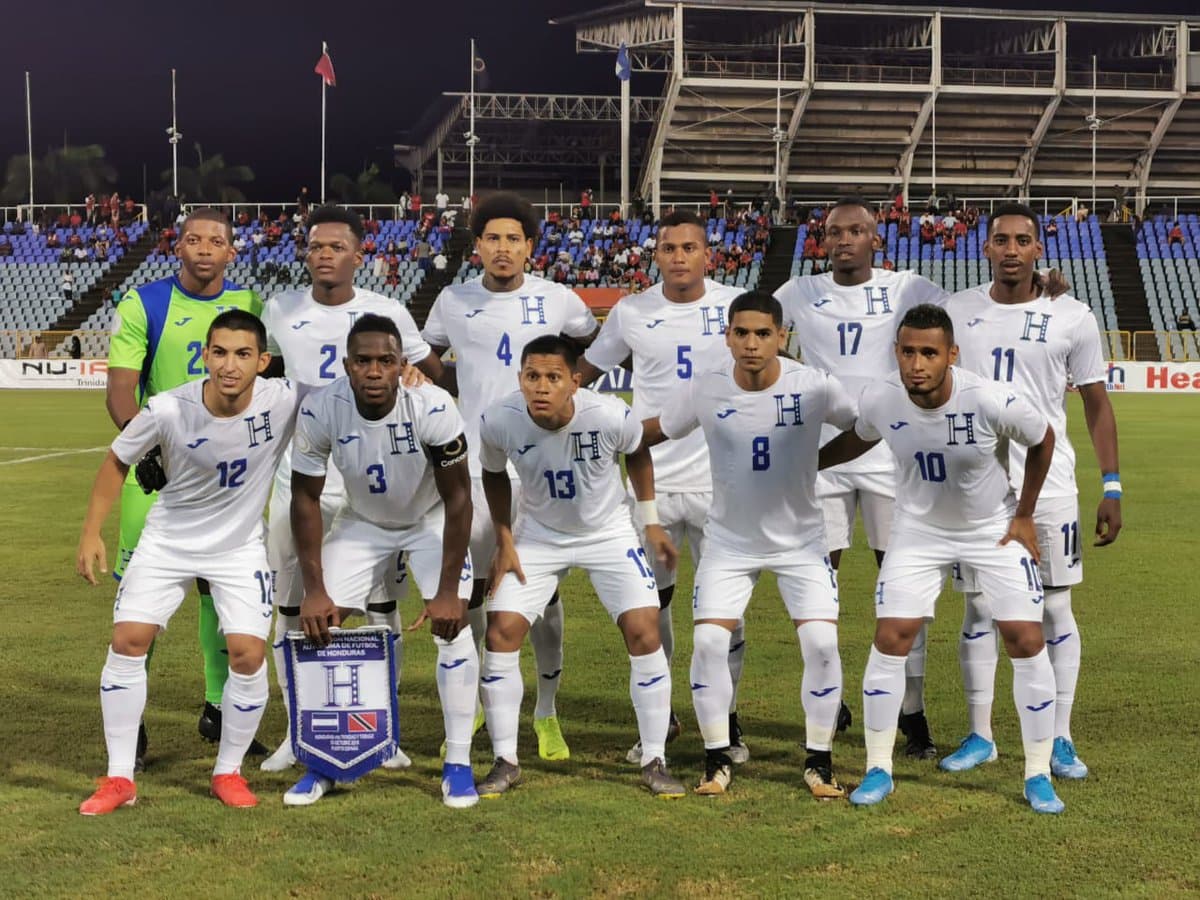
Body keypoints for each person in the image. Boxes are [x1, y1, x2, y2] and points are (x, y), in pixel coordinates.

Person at [819, 304, 1063, 814]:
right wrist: (806, 465)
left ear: (951, 354)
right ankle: (878, 768)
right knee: (891, 636)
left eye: (929, 352)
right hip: (918, 530)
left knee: (1025, 636)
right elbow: (859, 437)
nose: (917, 363)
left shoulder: (990, 400)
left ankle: (1037, 773)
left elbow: (1043, 440)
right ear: (897, 353)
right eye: (907, 351)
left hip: (990, 529)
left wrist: (1024, 515)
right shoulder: (883, 397)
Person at [76, 310, 297, 815]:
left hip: (238, 547)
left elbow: (348, 385)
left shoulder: (284, 399)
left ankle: (228, 771)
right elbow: (116, 461)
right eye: (219, 352)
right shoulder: (168, 409)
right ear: (204, 355)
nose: (230, 365)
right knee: (128, 641)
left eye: (243, 354)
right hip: (169, 541)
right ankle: (119, 778)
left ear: (262, 361)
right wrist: (91, 533)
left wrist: (413, 371)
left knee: (247, 654)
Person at [639, 292, 855, 799]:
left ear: (783, 336)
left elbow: (865, 428)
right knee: (712, 643)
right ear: (728, 336)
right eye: (742, 333)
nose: (752, 344)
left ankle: (819, 761)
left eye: (763, 334)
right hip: (729, 544)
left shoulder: (815, 386)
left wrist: (816, 463)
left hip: (801, 543)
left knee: (822, 644)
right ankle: (716, 758)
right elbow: (642, 437)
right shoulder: (706, 389)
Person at [257, 205, 441, 776]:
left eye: (336, 246)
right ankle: (299, 731)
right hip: (301, 473)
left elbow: (426, 374)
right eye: (315, 246)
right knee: (293, 603)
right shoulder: (279, 310)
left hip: (371, 479)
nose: (324, 254)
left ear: (358, 255)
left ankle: (381, 730)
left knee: (382, 603)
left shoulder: (385, 311)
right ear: (306, 253)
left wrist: (418, 374)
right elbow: (267, 383)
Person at [942, 202, 1121, 781]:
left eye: (1023, 239)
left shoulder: (1073, 316)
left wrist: (1112, 485)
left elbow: (1096, 402)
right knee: (977, 608)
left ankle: (1061, 737)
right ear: (986, 247)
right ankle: (980, 735)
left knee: (1056, 606)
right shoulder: (957, 311)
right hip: (977, 487)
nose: (1012, 249)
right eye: (1001, 239)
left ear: (1039, 248)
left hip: (1052, 487)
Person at [420, 192, 599, 762]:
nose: (503, 248)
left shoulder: (560, 300)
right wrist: (450, 390)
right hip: (474, 464)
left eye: (513, 239)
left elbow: (587, 348)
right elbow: (428, 355)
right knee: (473, 586)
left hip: (542, 465)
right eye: (492, 239)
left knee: (539, 593)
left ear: (529, 247)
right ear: (477, 247)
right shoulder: (452, 299)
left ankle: (546, 711)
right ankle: (476, 698)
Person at [773, 197, 948, 757]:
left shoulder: (908, 287)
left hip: (890, 458)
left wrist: (1043, 288)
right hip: (820, 459)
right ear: (821, 241)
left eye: (856, 231)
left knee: (902, 586)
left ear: (877, 238)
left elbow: (971, 313)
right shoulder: (799, 291)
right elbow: (746, 315)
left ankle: (911, 712)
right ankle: (832, 696)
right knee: (818, 587)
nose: (844, 239)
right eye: (833, 232)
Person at [475, 335, 685, 799]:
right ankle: (505, 760)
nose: (542, 386)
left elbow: (637, 451)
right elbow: (492, 473)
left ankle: (655, 759)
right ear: (520, 379)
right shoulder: (499, 420)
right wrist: (505, 538)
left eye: (553, 377)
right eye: (533, 376)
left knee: (644, 629)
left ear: (575, 381)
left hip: (606, 533)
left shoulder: (609, 413)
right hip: (538, 536)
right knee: (501, 631)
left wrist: (649, 523)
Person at [576, 210, 750, 765]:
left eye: (689, 247)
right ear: (655, 255)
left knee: (729, 610)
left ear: (708, 254)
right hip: (649, 479)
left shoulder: (734, 306)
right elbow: (584, 373)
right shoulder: (631, 311)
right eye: (668, 248)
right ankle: (666, 718)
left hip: (723, 482)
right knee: (652, 607)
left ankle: (729, 719)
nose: (678, 257)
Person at [288, 314, 478, 808]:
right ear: (347, 365)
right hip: (361, 521)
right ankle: (324, 761)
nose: (374, 371)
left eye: (385, 361)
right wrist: (314, 588)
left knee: (455, 630)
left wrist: (446, 592)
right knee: (320, 623)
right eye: (364, 361)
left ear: (402, 366)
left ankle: (457, 763)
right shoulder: (320, 408)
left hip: (430, 520)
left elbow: (459, 500)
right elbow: (305, 500)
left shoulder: (432, 405)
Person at [105, 208, 265, 764]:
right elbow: (120, 391)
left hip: (226, 480)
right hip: (156, 478)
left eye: (215, 241)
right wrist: (145, 446)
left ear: (231, 251)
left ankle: (218, 709)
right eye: (193, 239)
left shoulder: (250, 307)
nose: (203, 248)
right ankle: (135, 720)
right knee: (138, 606)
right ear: (178, 247)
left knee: (220, 598)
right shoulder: (143, 303)